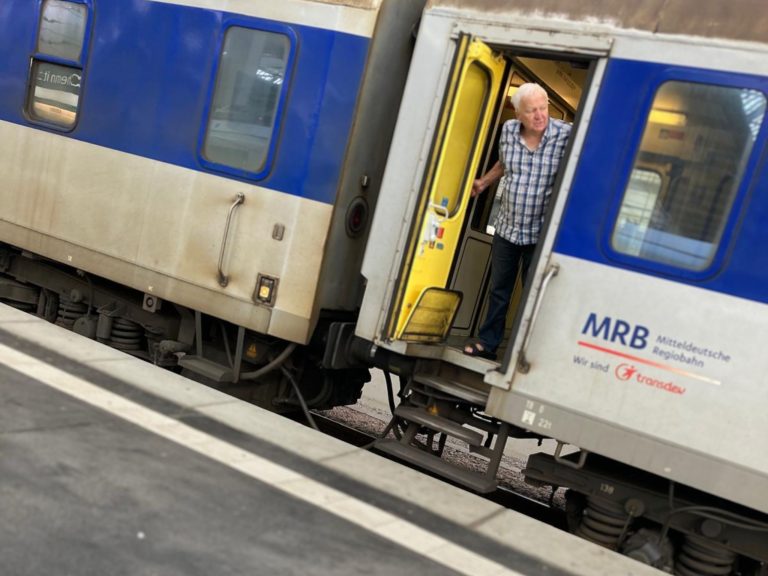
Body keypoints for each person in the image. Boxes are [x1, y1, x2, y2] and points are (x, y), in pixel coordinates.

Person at [464, 82, 571, 360]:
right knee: (499, 290)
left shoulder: (565, 135)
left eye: (543, 107)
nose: (540, 115)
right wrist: (484, 182)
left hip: (539, 233)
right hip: (508, 227)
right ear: (519, 114)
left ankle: (522, 351)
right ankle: (488, 343)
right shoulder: (509, 131)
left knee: (532, 295)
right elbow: (504, 162)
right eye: (532, 110)